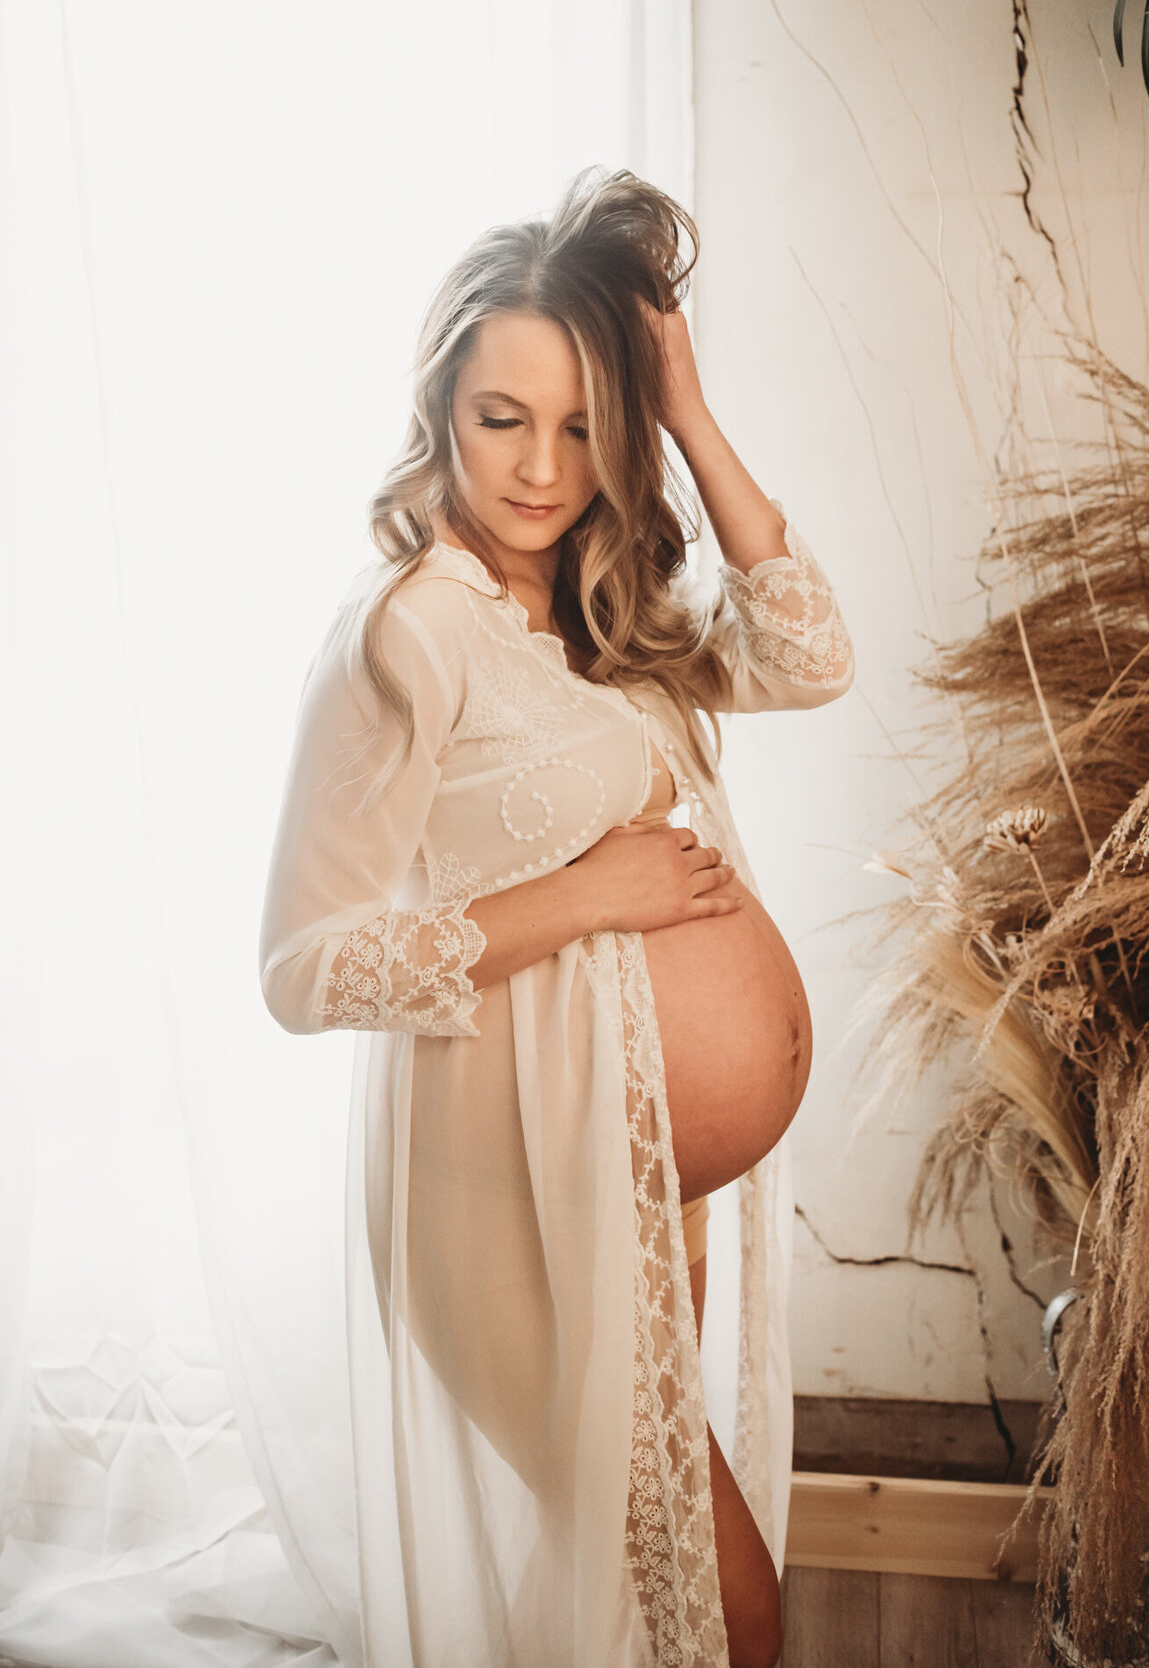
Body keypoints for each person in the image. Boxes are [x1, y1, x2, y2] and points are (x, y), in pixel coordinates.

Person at [258, 166, 854, 1668]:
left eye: (585, 421)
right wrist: (593, 892)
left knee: (631, 1610)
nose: (540, 466)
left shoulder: (605, 601)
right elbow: (302, 965)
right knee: (722, 1608)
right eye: (500, 417)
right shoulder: (406, 630)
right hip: (503, 1199)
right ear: (439, 405)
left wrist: (689, 415)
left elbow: (811, 653)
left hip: (636, 1175)